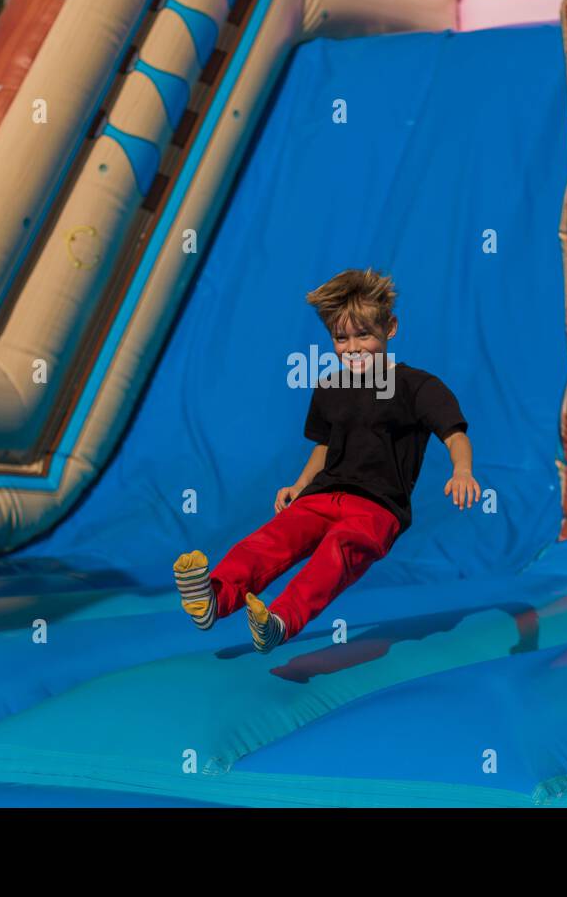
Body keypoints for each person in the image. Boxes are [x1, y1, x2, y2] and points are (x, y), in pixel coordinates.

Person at [173, 268, 480, 653]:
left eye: (363, 335)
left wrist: (462, 471)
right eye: (340, 338)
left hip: (376, 509)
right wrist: (299, 486)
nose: (351, 348)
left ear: (391, 328)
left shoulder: (416, 386)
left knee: (338, 552)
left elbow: (454, 434)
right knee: (269, 540)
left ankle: (281, 620)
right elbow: (324, 447)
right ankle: (214, 598)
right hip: (323, 494)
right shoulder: (330, 386)